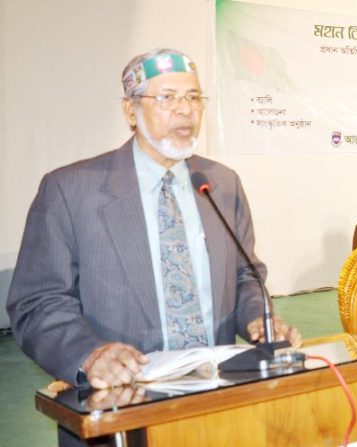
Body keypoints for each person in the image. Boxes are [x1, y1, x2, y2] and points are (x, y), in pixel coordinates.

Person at [6, 49, 302, 395]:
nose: (185, 109)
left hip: (218, 393)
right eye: (167, 97)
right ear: (130, 110)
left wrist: (259, 319)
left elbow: (244, 276)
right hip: (120, 397)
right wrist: (88, 354)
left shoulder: (221, 183)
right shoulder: (70, 190)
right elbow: (38, 302)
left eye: (193, 97)